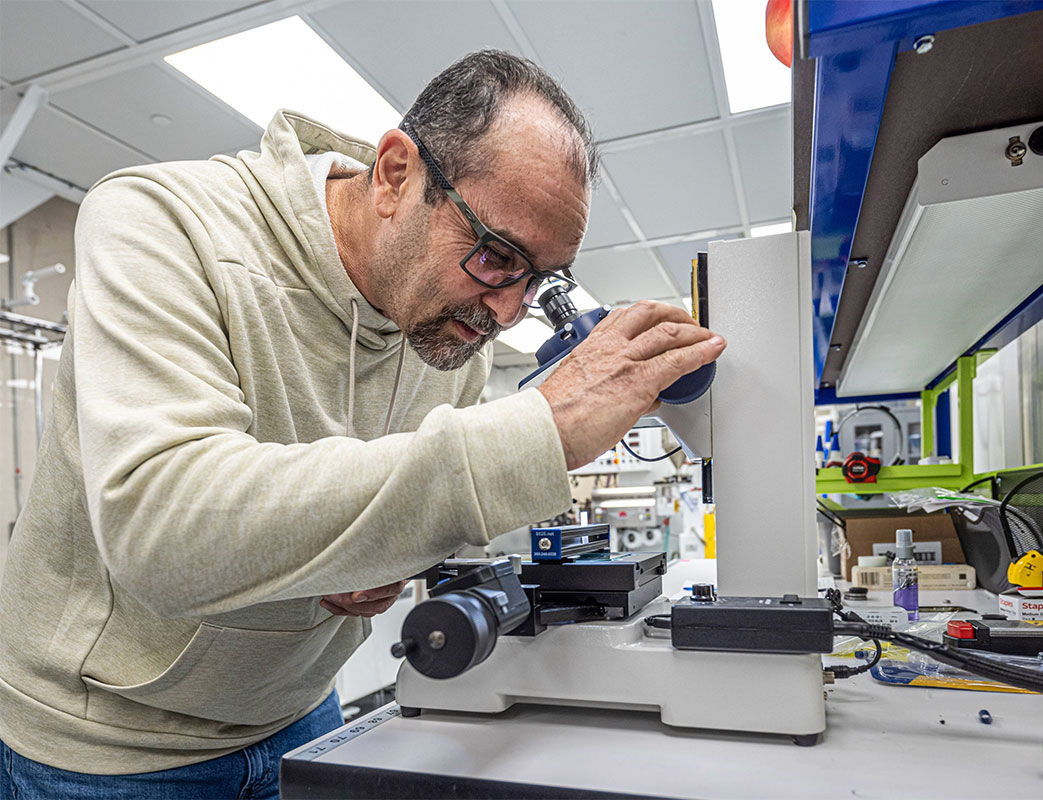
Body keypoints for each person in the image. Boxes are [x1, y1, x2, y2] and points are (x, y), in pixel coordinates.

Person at [0, 50, 725, 797]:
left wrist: (377, 555)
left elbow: (382, 498)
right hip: (111, 744)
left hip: (299, 707)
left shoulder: (451, 329)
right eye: (497, 255)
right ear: (393, 174)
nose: (507, 309)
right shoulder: (160, 221)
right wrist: (544, 429)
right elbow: (160, 529)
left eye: (539, 278)